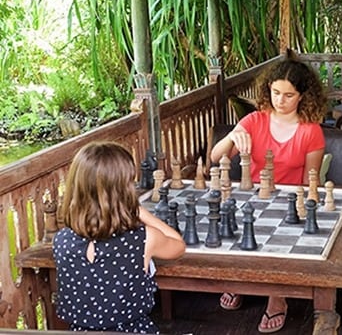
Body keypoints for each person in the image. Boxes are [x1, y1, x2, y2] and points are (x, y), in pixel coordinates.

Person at [210, 50, 327, 333]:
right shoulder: (254, 121)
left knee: (282, 233)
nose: (280, 100)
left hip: (289, 200)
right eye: (275, 92)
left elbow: (313, 179)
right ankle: (239, 282)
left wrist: (303, 202)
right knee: (233, 224)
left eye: (288, 95)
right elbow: (214, 158)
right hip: (251, 198)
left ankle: (277, 296)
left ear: (303, 96)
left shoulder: (311, 131)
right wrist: (230, 138)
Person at [53, 142, 186, 333]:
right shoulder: (145, 239)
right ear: (124, 191)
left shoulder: (61, 240)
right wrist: (141, 212)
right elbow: (178, 246)